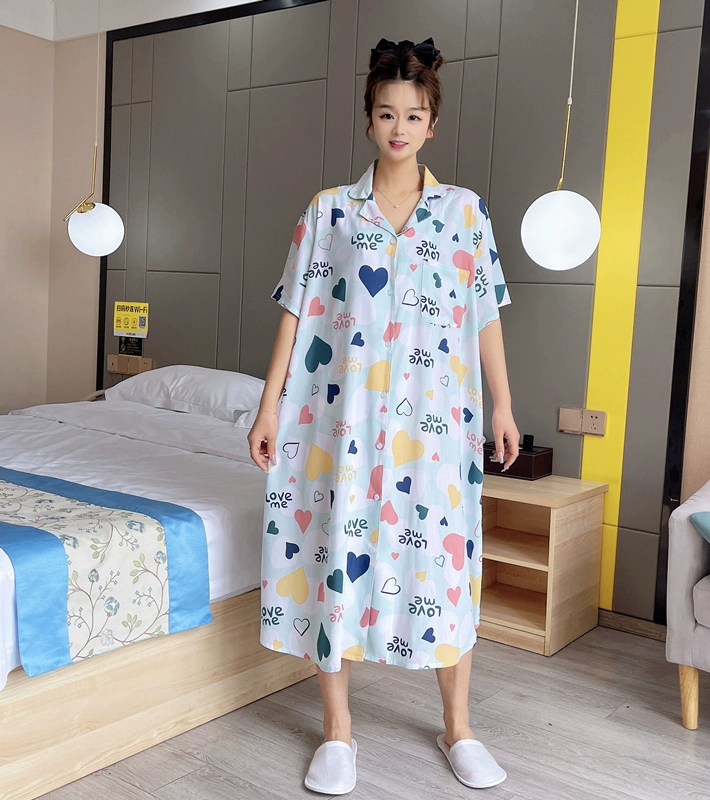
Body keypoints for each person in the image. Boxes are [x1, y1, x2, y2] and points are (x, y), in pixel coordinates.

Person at [248, 36, 519, 795]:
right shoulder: (329, 213)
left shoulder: (464, 212)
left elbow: (485, 314)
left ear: (433, 123)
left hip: (437, 426)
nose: (400, 128)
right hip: (342, 422)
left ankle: (458, 727)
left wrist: (503, 403)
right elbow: (295, 314)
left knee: (447, 567)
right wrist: (267, 407)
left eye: (414, 115)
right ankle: (337, 731)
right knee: (334, 554)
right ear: (369, 119)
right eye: (387, 113)